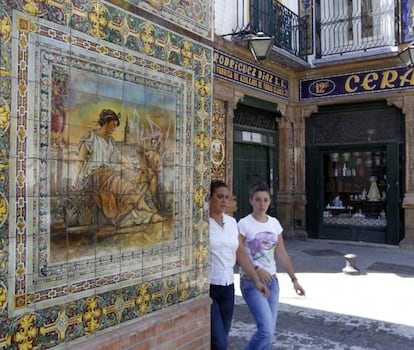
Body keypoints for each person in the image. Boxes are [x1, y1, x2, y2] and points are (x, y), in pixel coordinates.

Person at [71, 109, 164, 231]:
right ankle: (140, 203)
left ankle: (145, 214)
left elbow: (118, 157)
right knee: (116, 179)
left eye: (116, 126)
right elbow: (80, 160)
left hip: (109, 171)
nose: (114, 128)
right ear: (106, 122)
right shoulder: (90, 136)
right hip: (93, 174)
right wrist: (74, 179)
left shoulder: (111, 141)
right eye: (113, 125)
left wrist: (131, 166)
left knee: (135, 175)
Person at [238, 182, 305, 350]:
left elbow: (281, 253)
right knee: (266, 331)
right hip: (251, 283)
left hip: (272, 283)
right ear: (251, 201)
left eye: (265, 200)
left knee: (269, 333)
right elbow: (239, 255)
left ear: (270, 201)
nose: (262, 204)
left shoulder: (274, 223)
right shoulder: (244, 224)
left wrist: (294, 279)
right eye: (258, 200)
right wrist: (255, 269)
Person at [209, 180, 269, 350]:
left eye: (227, 197)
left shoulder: (231, 223)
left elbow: (241, 255)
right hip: (209, 288)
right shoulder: (202, 224)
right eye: (219, 196)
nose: (223, 201)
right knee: (220, 342)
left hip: (228, 288)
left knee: (221, 337)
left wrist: (257, 280)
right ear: (210, 198)